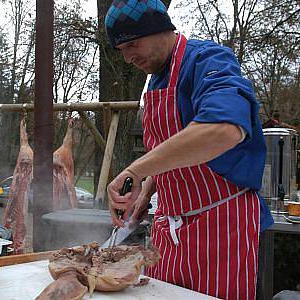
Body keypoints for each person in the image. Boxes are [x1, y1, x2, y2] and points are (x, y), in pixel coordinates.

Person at [105, 1, 274, 299]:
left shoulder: (208, 61)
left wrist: (136, 170)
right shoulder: (157, 78)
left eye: (133, 43)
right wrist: (148, 188)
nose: (129, 57)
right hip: (168, 229)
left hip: (221, 229)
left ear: (160, 29)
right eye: (121, 50)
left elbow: (222, 129)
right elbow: (174, 150)